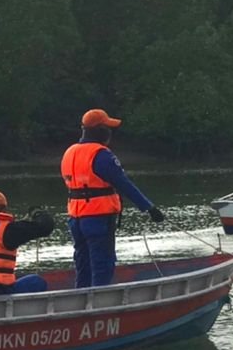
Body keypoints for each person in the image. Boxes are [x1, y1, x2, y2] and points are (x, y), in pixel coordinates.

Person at [61, 108, 165, 289]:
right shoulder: (101, 155)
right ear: (100, 130)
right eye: (107, 128)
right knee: (102, 264)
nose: (110, 132)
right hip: (98, 218)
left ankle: (80, 297)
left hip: (76, 219)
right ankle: (100, 299)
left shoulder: (69, 152)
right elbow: (124, 184)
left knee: (83, 264)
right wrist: (149, 208)